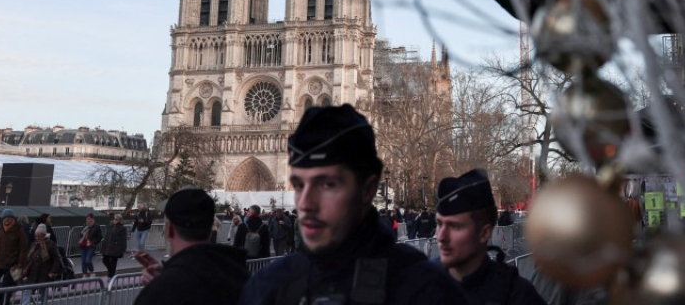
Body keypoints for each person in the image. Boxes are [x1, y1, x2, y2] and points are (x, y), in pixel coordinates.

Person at [237, 104, 465, 305]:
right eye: (298, 185)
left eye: (326, 185)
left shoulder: (425, 290)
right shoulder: (267, 287)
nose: (305, 204)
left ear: (368, 189)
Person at [435, 170, 545, 305]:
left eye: (455, 226)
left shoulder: (517, 295)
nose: (441, 236)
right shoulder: (421, 285)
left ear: (484, 233)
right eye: (439, 224)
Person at [133, 188, 248, 305]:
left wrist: (165, 282)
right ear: (210, 228)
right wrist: (169, 274)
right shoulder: (242, 278)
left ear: (170, 229)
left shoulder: (158, 293)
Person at [0, 209, 28, 305]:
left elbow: (23, 247)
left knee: (7, 286)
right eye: (5, 218)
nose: (6, 220)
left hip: (11, 264)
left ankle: (4, 302)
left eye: (9, 217)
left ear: (13, 219)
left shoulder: (19, 230)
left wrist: (20, 262)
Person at [22, 224, 61, 300]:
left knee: (43, 294)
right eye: (36, 235)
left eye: (39, 235)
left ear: (43, 235)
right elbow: (28, 258)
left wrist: (52, 271)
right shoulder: (33, 245)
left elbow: (56, 259)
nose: (36, 237)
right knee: (26, 294)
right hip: (32, 274)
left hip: (44, 274)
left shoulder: (50, 244)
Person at [100, 212, 129, 278]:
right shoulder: (110, 226)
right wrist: (104, 242)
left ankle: (110, 276)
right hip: (107, 246)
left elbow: (123, 239)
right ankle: (112, 272)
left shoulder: (122, 228)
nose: (115, 220)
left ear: (120, 220)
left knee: (113, 262)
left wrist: (123, 248)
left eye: (117, 219)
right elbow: (107, 235)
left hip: (116, 247)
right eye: (114, 219)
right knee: (105, 260)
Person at [79, 213, 103, 277]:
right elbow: (81, 235)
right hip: (83, 245)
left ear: (92, 219)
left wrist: (93, 242)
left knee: (87, 260)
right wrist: (83, 234)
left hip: (91, 246)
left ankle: (92, 271)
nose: (87, 221)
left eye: (89, 219)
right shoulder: (85, 226)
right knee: (83, 261)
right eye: (86, 219)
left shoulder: (96, 227)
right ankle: (84, 275)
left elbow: (100, 237)